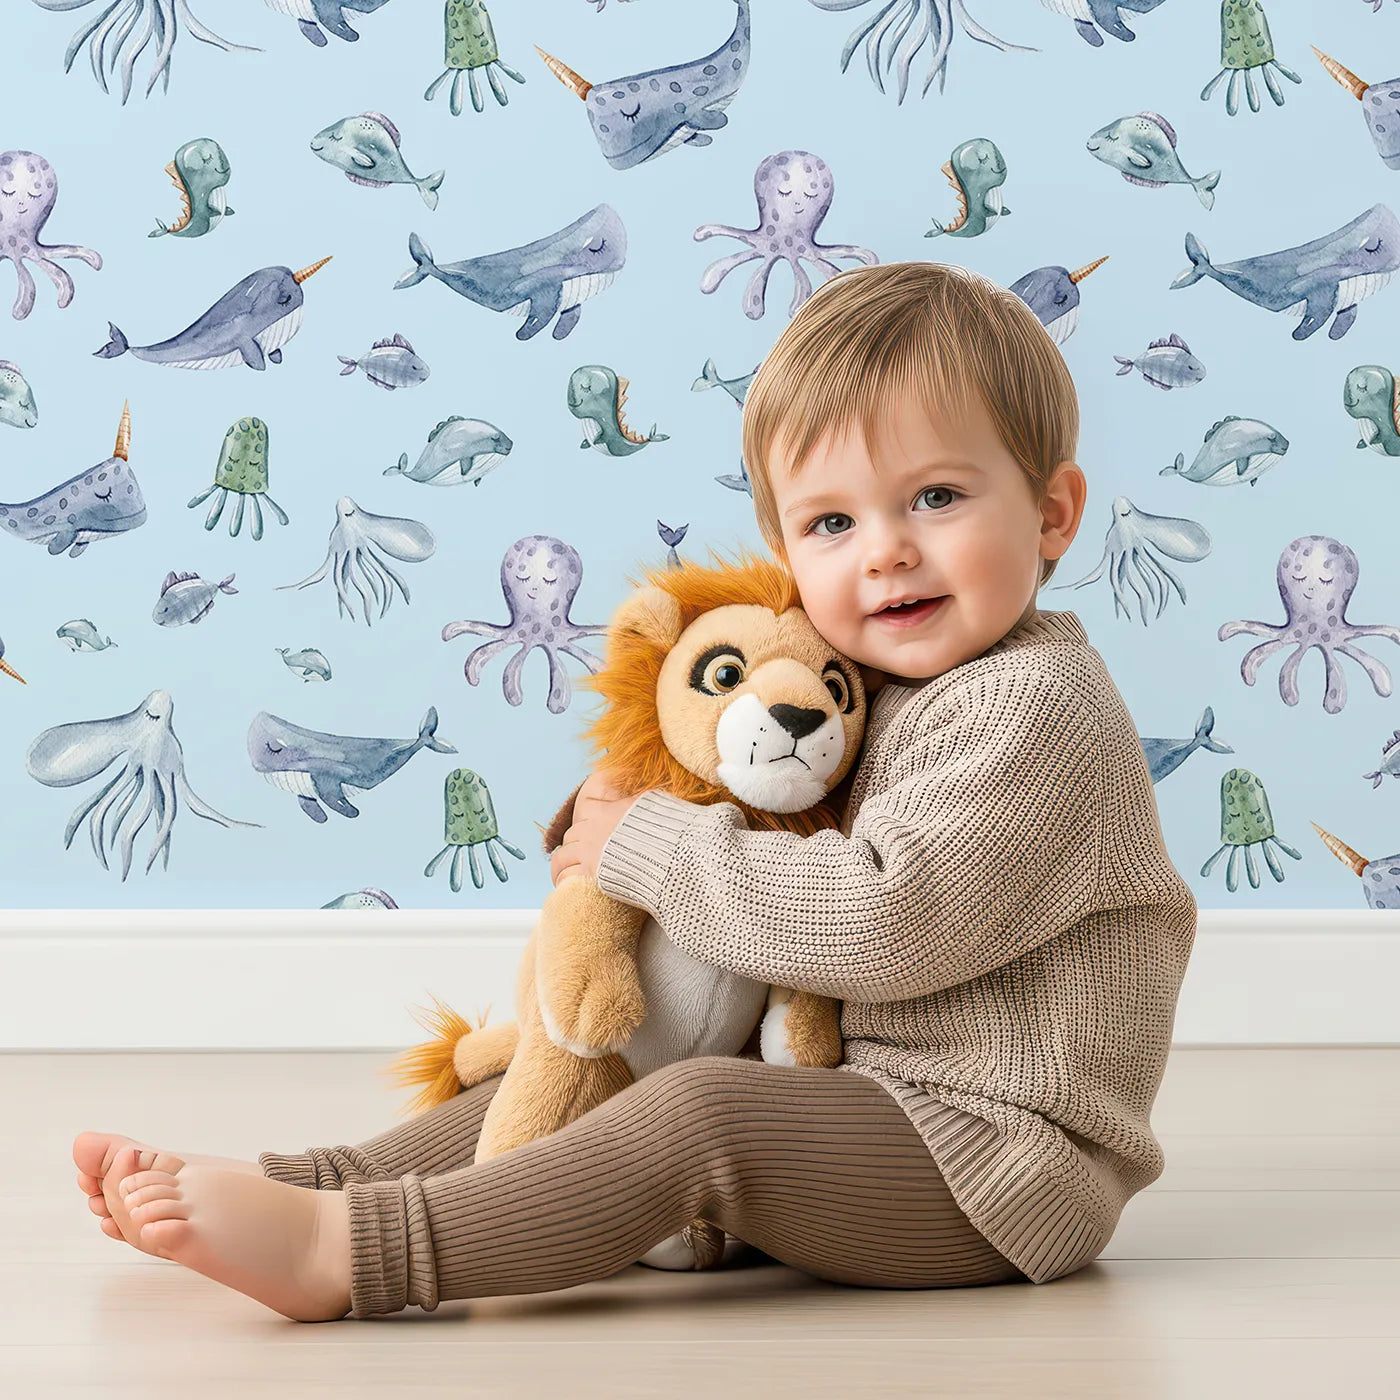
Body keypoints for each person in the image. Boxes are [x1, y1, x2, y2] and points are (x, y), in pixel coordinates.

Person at [72, 261, 1196, 1323]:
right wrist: (636, 804)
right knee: (582, 1065)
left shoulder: (1030, 704)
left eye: (936, 496)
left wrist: (649, 845)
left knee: (696, 1114)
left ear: (1051, 513)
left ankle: (357, 1251)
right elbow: (750, 809)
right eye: (831, 523)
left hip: (995, 1157)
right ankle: (320, 1183)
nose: (884, 553)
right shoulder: (862, 683)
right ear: (783, 547)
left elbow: (881, 919)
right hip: (861, 1103)